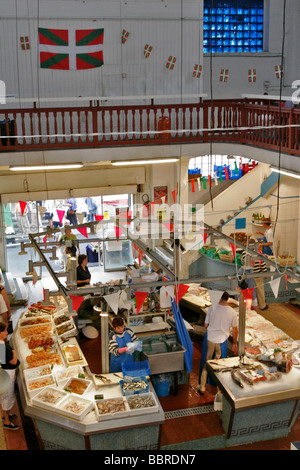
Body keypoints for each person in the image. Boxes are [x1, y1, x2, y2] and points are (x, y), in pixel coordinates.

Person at [198, 292, 238, 395]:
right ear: (227, 299)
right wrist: (234, 343)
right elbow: (235, 329)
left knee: (206, 363)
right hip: (222, 341)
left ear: (220, 298)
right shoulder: (232, 312)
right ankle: (219, 391)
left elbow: (206, 325)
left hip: (210, 339)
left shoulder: (212, 308)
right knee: (220, 366)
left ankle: (202, 387)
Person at [0, 323, 20, 430]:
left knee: (4, 397)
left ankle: (5, 415)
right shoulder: (1, 346)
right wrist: (14, 352)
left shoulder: (2, 343)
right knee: (7, 397)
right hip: (7, 374)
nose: (7, 333)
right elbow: (13, 361)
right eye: (5, 331)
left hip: (5, 373)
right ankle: (7, 421)